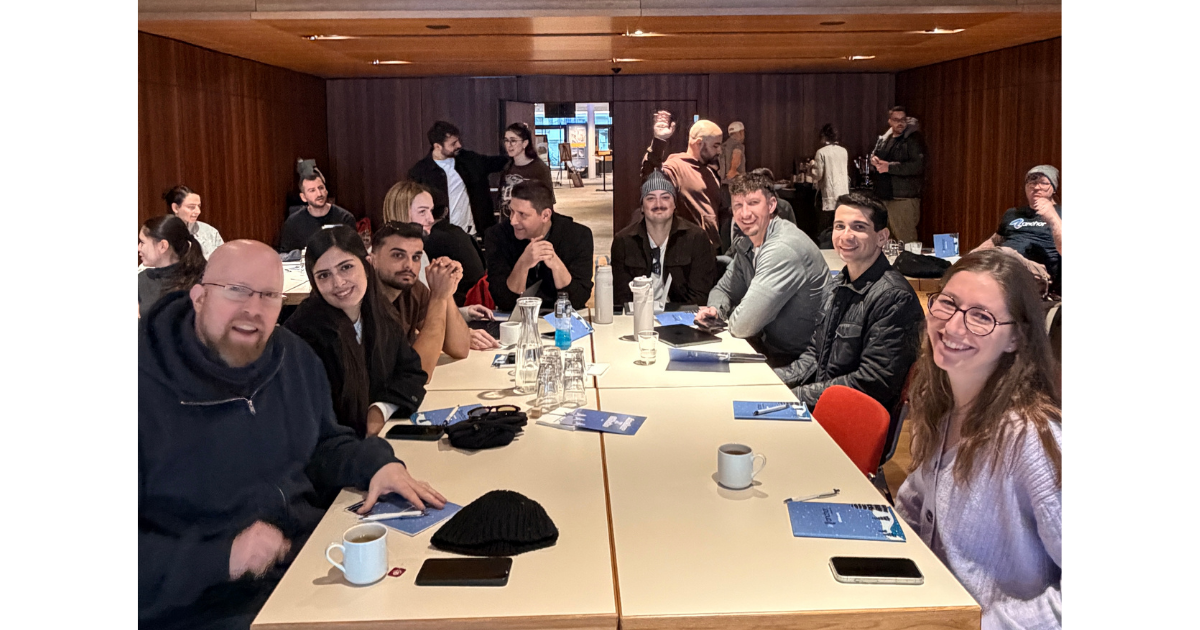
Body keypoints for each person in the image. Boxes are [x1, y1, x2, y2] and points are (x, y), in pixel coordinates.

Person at [137, 240, 445, 629]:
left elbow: (323, 444)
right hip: (204, 606)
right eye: (236, 291)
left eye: (268, 296)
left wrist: (377, 465)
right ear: (199, 296)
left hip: (302, 569)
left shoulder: (292, 357)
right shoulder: (147, 382)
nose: (252, 310)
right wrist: (220, 558)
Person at [896, 249, 1062, 629]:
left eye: (981, 317)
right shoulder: (940, 402)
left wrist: (989, 625)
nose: (954, 327)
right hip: (929, 609)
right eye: (949, 304)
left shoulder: (1030, 439)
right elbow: (915, 504)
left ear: (1015, 339)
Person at [774, 193, 923, 417]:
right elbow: (815, 356)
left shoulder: (894, 297)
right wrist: (771, 382)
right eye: (839, 226)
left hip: (855, 420)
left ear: (882, 237)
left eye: (859, 227)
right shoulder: (836, 286)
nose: (846, 236)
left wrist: (797, 396)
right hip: (824, 406)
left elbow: (873, 381)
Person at [284, 226, 427, 438]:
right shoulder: (303, 334)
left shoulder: (382, 314)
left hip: (374, 441)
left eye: (346, 267)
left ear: (367, 264)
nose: (338, 283)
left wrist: (381, 409)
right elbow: (306, 419)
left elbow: (411, 371)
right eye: (324, 275)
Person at [697, 172, 828, 366]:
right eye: (738, 205)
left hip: (802, 360)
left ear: (772, 205)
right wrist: (716, 310)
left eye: (753, 203)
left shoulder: (782, 248)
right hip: (769, 349)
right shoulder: (747, 244)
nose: (745, 213)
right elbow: (723, 290)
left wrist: (732, 314)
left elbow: (743, 325)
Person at [371, 222, 496, 377]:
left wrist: (446, 290)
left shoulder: (413, 289)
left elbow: (459, 348)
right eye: (398, 255)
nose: (409, 265)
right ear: (372, 260)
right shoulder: (365, 299)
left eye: (416, 257)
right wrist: (438, 297)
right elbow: (420, 372)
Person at [485, 180, 593, 312]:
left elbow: (578, 299)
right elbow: (504, 301)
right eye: (511, 211)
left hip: (562, 320)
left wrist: (557, 266)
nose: (513, 221)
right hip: (516, 321)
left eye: (522, 214)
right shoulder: (497, 236)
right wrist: (523, 264)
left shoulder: (577, 236)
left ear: (545, 215)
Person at [611, 170, 716, 306]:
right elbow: (621, 298)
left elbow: (700, 296)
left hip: (682, 318)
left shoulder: (697, 238)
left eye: (665, 197)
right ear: (642, 207)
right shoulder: (623, 241)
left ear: (674, 205)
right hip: (635, 318)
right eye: (650, 198)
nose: (658, 204)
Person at [381, 180, 486, 305]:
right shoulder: (384, 256)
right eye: (422, 212)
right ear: (401, 212)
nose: (431, 219)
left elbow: (426, 311)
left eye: (431, 211)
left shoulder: (422, 254)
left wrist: (466, 313)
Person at [641, 110, 726, 251]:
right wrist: (658, 142)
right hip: (687, 252)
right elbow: (651, 180)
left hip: (711, 251)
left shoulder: (709, 171)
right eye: (715, 146)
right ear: (699, 143)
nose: (719, 151)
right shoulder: (676, 167)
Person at [971, 165, 1063, 293]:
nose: (1036, 187)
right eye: (1032, 183)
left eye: (1043, 183)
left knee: (1006, 254)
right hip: (1001, 263)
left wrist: (1052, 216)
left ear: (1053, 188)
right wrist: (970, 257)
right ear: (1025, 187)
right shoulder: (1012, 213)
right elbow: (994, 241)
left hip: (1038, 273)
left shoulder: (1059, 214)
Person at [408, 121, 509, 235]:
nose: (459, 145)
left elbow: (495, 163)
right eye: (453, 143)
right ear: (437, 146)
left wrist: (517, 155)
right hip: (441, 234)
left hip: (474, 231)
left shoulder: (469, 160)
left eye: (458, 140)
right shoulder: (420, 172)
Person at [870, 106, 925, 243]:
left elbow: (918, 166)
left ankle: (910, 265)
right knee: (888, 242)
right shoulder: (885, 138)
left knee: (905, 240)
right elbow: (878, 157)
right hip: (885, 195)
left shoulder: (912, 139)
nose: (900, 123)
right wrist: (874, 160)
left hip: (903, 198)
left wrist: (889, 167)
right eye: (896, 120)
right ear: (889, 121)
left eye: (903, 120)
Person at [137, 215, 206, 318]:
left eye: (142, 242)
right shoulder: (142, 280)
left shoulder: (202, 280)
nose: (138, 248)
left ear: (162, 246)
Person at [278, 172, 356, 253]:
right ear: (303, 197)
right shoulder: (293, 223)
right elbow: (285, 256)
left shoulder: (345, 218)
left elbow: (355, 251)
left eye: (321, 188)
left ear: (326, 191)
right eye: (312, 190)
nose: (319, 194)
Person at [498, 122, 555, 221]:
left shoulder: (539, 168)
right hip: (507, 224)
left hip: (529, 226)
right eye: (506, 140)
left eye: (513, 141)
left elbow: (548, 203)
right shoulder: (507, 167)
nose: (509, 145)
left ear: (525, 143)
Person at [810, 124, 850, 235]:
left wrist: (811, 167)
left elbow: (818, 175)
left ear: (823, 136)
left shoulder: (821, 152)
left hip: (827, 195)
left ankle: (825, 249)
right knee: (839, 226)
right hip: (843, 194)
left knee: (825, 229)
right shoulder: (843, 151)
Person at [163, 185, 224, 258]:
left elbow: (223, 261)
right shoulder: (159, 233)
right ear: (175, 208)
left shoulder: (210, 232)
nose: (198, 211)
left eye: (199, 206)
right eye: (191, 207)